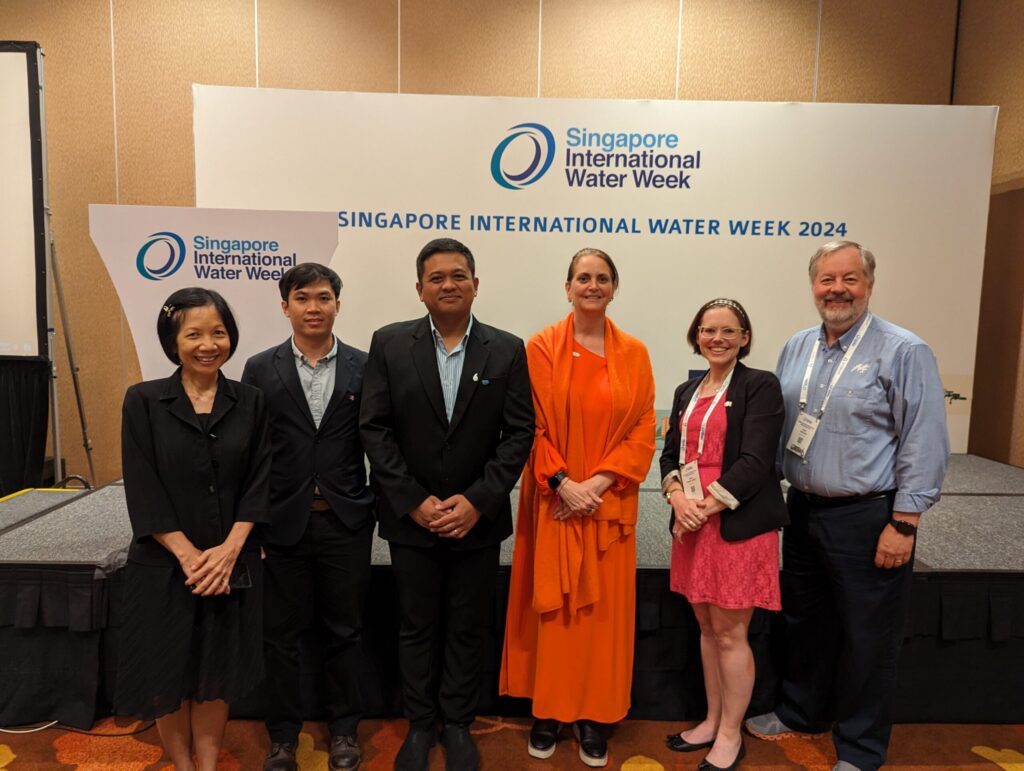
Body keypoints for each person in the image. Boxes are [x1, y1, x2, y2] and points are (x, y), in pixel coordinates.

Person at [745, 241, 949, 771]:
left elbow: (923, 441)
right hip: (804, 510)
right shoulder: (796, 346)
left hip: (870, 516)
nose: (837, 289)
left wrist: (904, 523)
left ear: (869, 284)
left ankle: (860, 749)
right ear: (813, 286)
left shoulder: (904, 350)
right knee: (804, 622)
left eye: (850, 278)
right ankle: (800, 713)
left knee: (868, 637)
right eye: (827, 279)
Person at [359, 237, 534, 771]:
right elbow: (375, 427)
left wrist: (478, 501)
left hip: (475, 522)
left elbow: (519, 432)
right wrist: (412, 502)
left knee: (466, 623)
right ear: (419, 289)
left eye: (459, 275)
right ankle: (418, 724)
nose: (449, 285)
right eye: (436, 278)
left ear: (476, 285)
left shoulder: (506, 348)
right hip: (411, 520)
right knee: (415, 624)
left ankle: (456, 723)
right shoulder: (389, 344)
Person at [500, 248, 656, 768]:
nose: (592, 285)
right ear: (567, 287)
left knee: (599, 617)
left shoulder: (635, 353)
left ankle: (593, 715)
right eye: (582, 277)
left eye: (602, 278)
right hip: (555, 501)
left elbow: (642, 430)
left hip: (607, 505)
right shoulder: (540, 347)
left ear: (614, 287)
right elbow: (530, 427)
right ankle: (548, 712)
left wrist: (598, 483)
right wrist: (565, 484)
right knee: (556, 612)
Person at [116, 287, 271, 771]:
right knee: (168, 670)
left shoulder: (251, 401)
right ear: (172, 340)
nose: (209, 344)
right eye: (194, 334)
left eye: (219, 332)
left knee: (217, 671)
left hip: (230, 562)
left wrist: (228, 552)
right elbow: (142, 486)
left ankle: (206, 765)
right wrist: (188, 555)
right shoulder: (143, 401)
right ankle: (182, 766)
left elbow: (260, 480)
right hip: (164, 564)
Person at [241, 263, 374, 771]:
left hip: (345, 522)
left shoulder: (366, 366)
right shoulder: (260, 367)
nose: (313, 307)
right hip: (282, 524)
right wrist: (253, 522)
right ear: (285, 306)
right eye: (303, 298)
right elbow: (251, 452)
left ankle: (344, 731)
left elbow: (379, 444)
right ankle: (283, 736)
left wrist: (373, 507)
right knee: (281, 636)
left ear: (338, 304)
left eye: (323, 297)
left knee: (346, 631)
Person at [659, 298, 787, 771]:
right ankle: (712, 720)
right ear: (697, 336)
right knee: (707, 629)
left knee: (732, 634)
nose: (717, 339)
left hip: (735, 523)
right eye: (709, 331)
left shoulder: (760, 386)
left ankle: (732, 733)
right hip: (691, 520)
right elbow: (669, 455)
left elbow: (756, 462)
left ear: (744, 338)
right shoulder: (684, 391)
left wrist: (705, 507)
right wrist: (676, 499)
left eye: (728, 331)